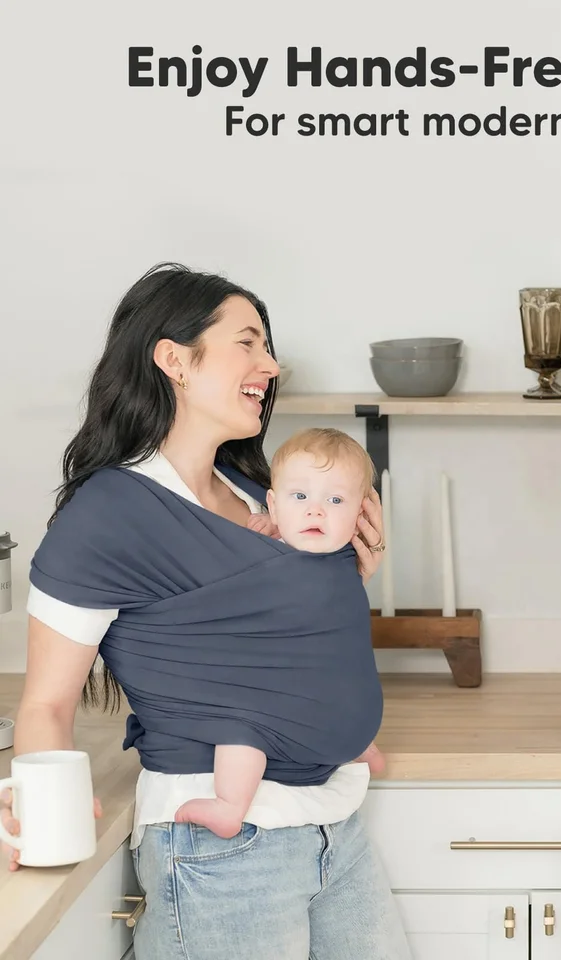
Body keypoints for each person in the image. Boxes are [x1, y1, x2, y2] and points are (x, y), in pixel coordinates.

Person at [1, 263, 412, 960]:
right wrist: (28, 812)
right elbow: (45, 703)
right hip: (220, 850)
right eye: (247, 343)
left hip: (334, 826)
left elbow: (292, 649)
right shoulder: (110, 514)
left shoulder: (265, 495)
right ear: (174, 360)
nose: (271, 365)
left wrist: (345, 578)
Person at [174, 426, 386, 840]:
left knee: (240, 722)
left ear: (360, 513)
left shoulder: (280, 560)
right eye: (300, 497)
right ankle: (363, 747)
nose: (315, 511)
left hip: (299, 719)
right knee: (345, 682)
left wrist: (248, 552)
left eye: (335, 500)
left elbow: (231, 613)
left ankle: (229, 806)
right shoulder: (347, 562)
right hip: (358, 722)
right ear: (273, 504)